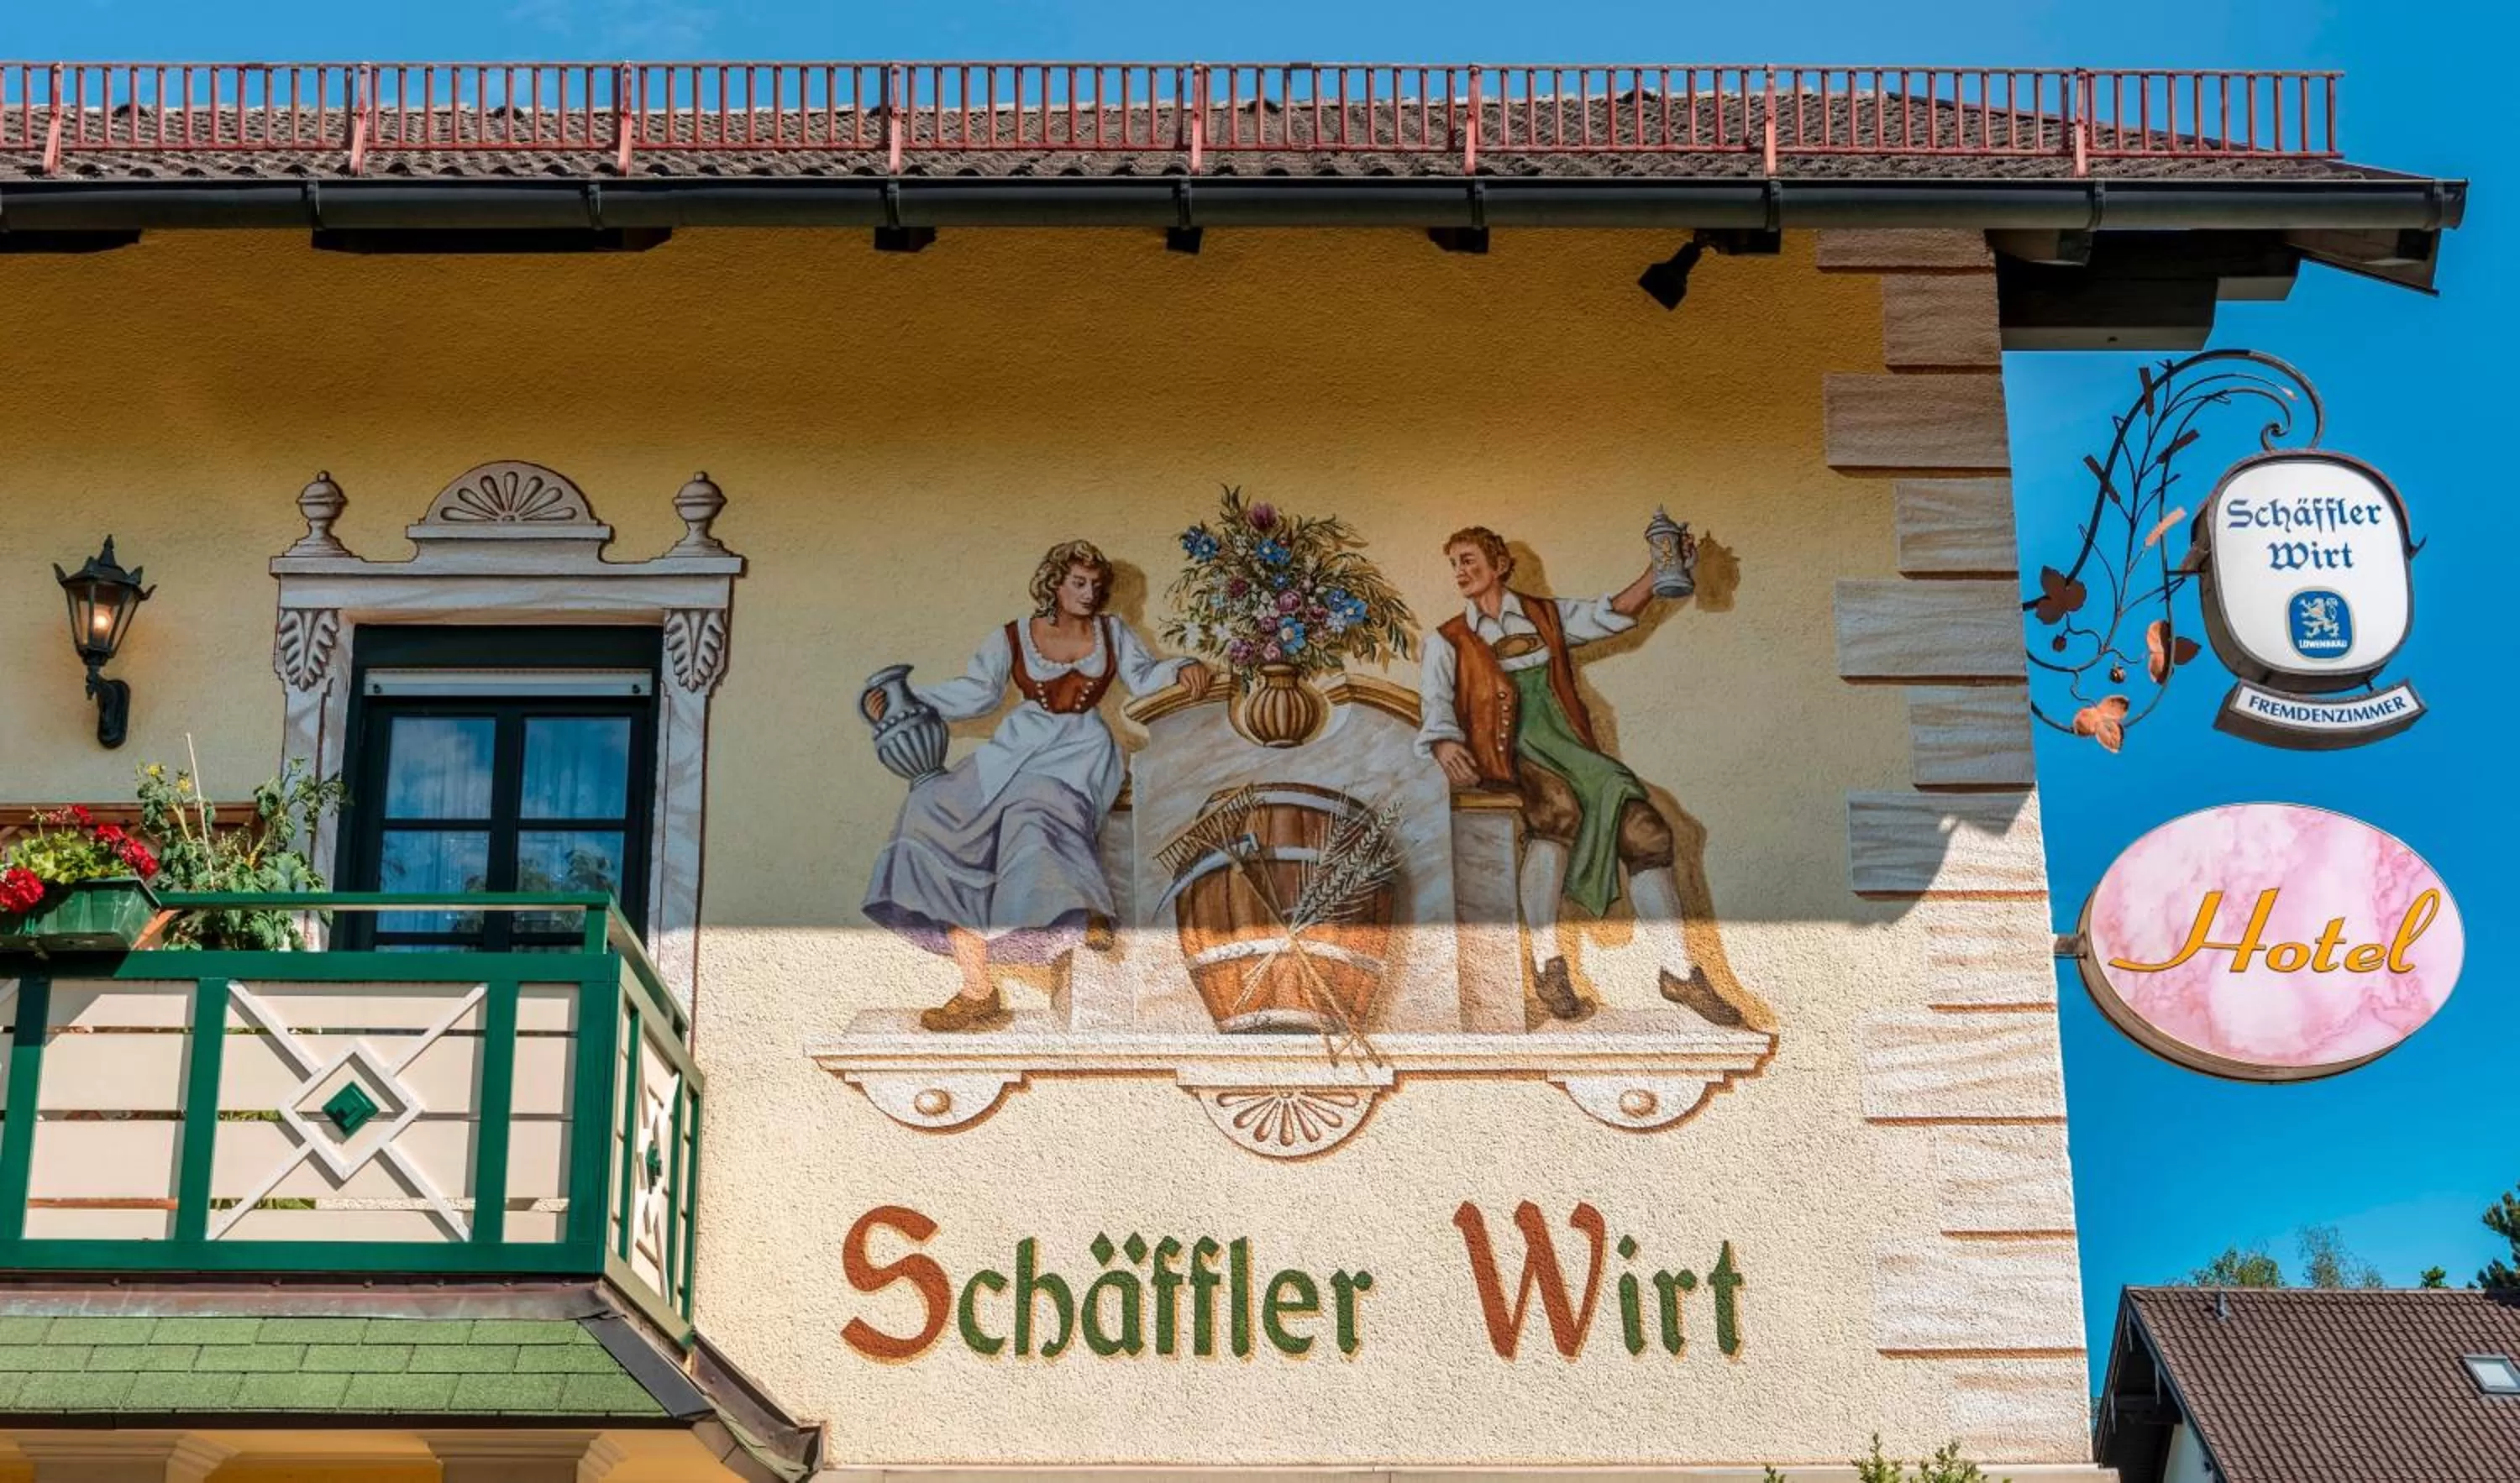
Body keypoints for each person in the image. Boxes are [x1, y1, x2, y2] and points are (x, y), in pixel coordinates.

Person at [864, 539, 1213, 1031]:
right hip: (1017, 745)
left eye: (1095, 585)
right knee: (932, 805)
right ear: (1056, 584)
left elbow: (1145, 674)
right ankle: (977, 988)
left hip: (1081, 751)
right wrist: (905, 700)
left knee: (1036, 810)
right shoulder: (1013, 637)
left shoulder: (1111, 633)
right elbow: (975, 694)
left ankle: (1086, 909)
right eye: (1078, 583)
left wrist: (1182, 667)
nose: (1089, 592)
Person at [1415, 526, 1740, 1027]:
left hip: (1570, 747)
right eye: (1454, 563)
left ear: (1499, 564)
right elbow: (1436, 706)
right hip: (1510, 756)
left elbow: (1612, 614)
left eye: (1468, 559)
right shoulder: (1446, 640)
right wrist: (1443, 741)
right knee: (1556, 812)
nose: (1460, 571)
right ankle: (1549, 965)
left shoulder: (1547, 615)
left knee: (1648, 831)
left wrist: (1659, 571)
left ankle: (1680, 972)